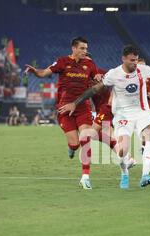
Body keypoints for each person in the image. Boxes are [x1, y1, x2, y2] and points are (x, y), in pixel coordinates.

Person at [59, 44, 150, 189]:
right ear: (123, 59)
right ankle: (124, 172)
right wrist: (75, 103)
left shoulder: (142, 70)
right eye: (131, 60)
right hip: (122, 116)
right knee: (122, 149)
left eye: (136, 60)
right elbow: (94, 89)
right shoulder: (114, 74)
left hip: (142, 112)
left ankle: (145, 175)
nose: (134, 63)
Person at [25, 37, 102, 190]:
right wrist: (35, 72)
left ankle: (85, 177)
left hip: (82, 107)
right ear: (73, 48)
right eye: (82, 48)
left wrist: (98, 78)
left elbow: (97, 79)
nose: (85, 51)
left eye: (86, 49)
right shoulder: (62, 62)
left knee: (86, 137)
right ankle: (71, 148)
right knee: (75, 143)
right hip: (64, 109)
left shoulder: (90, 64)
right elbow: (44, 73)